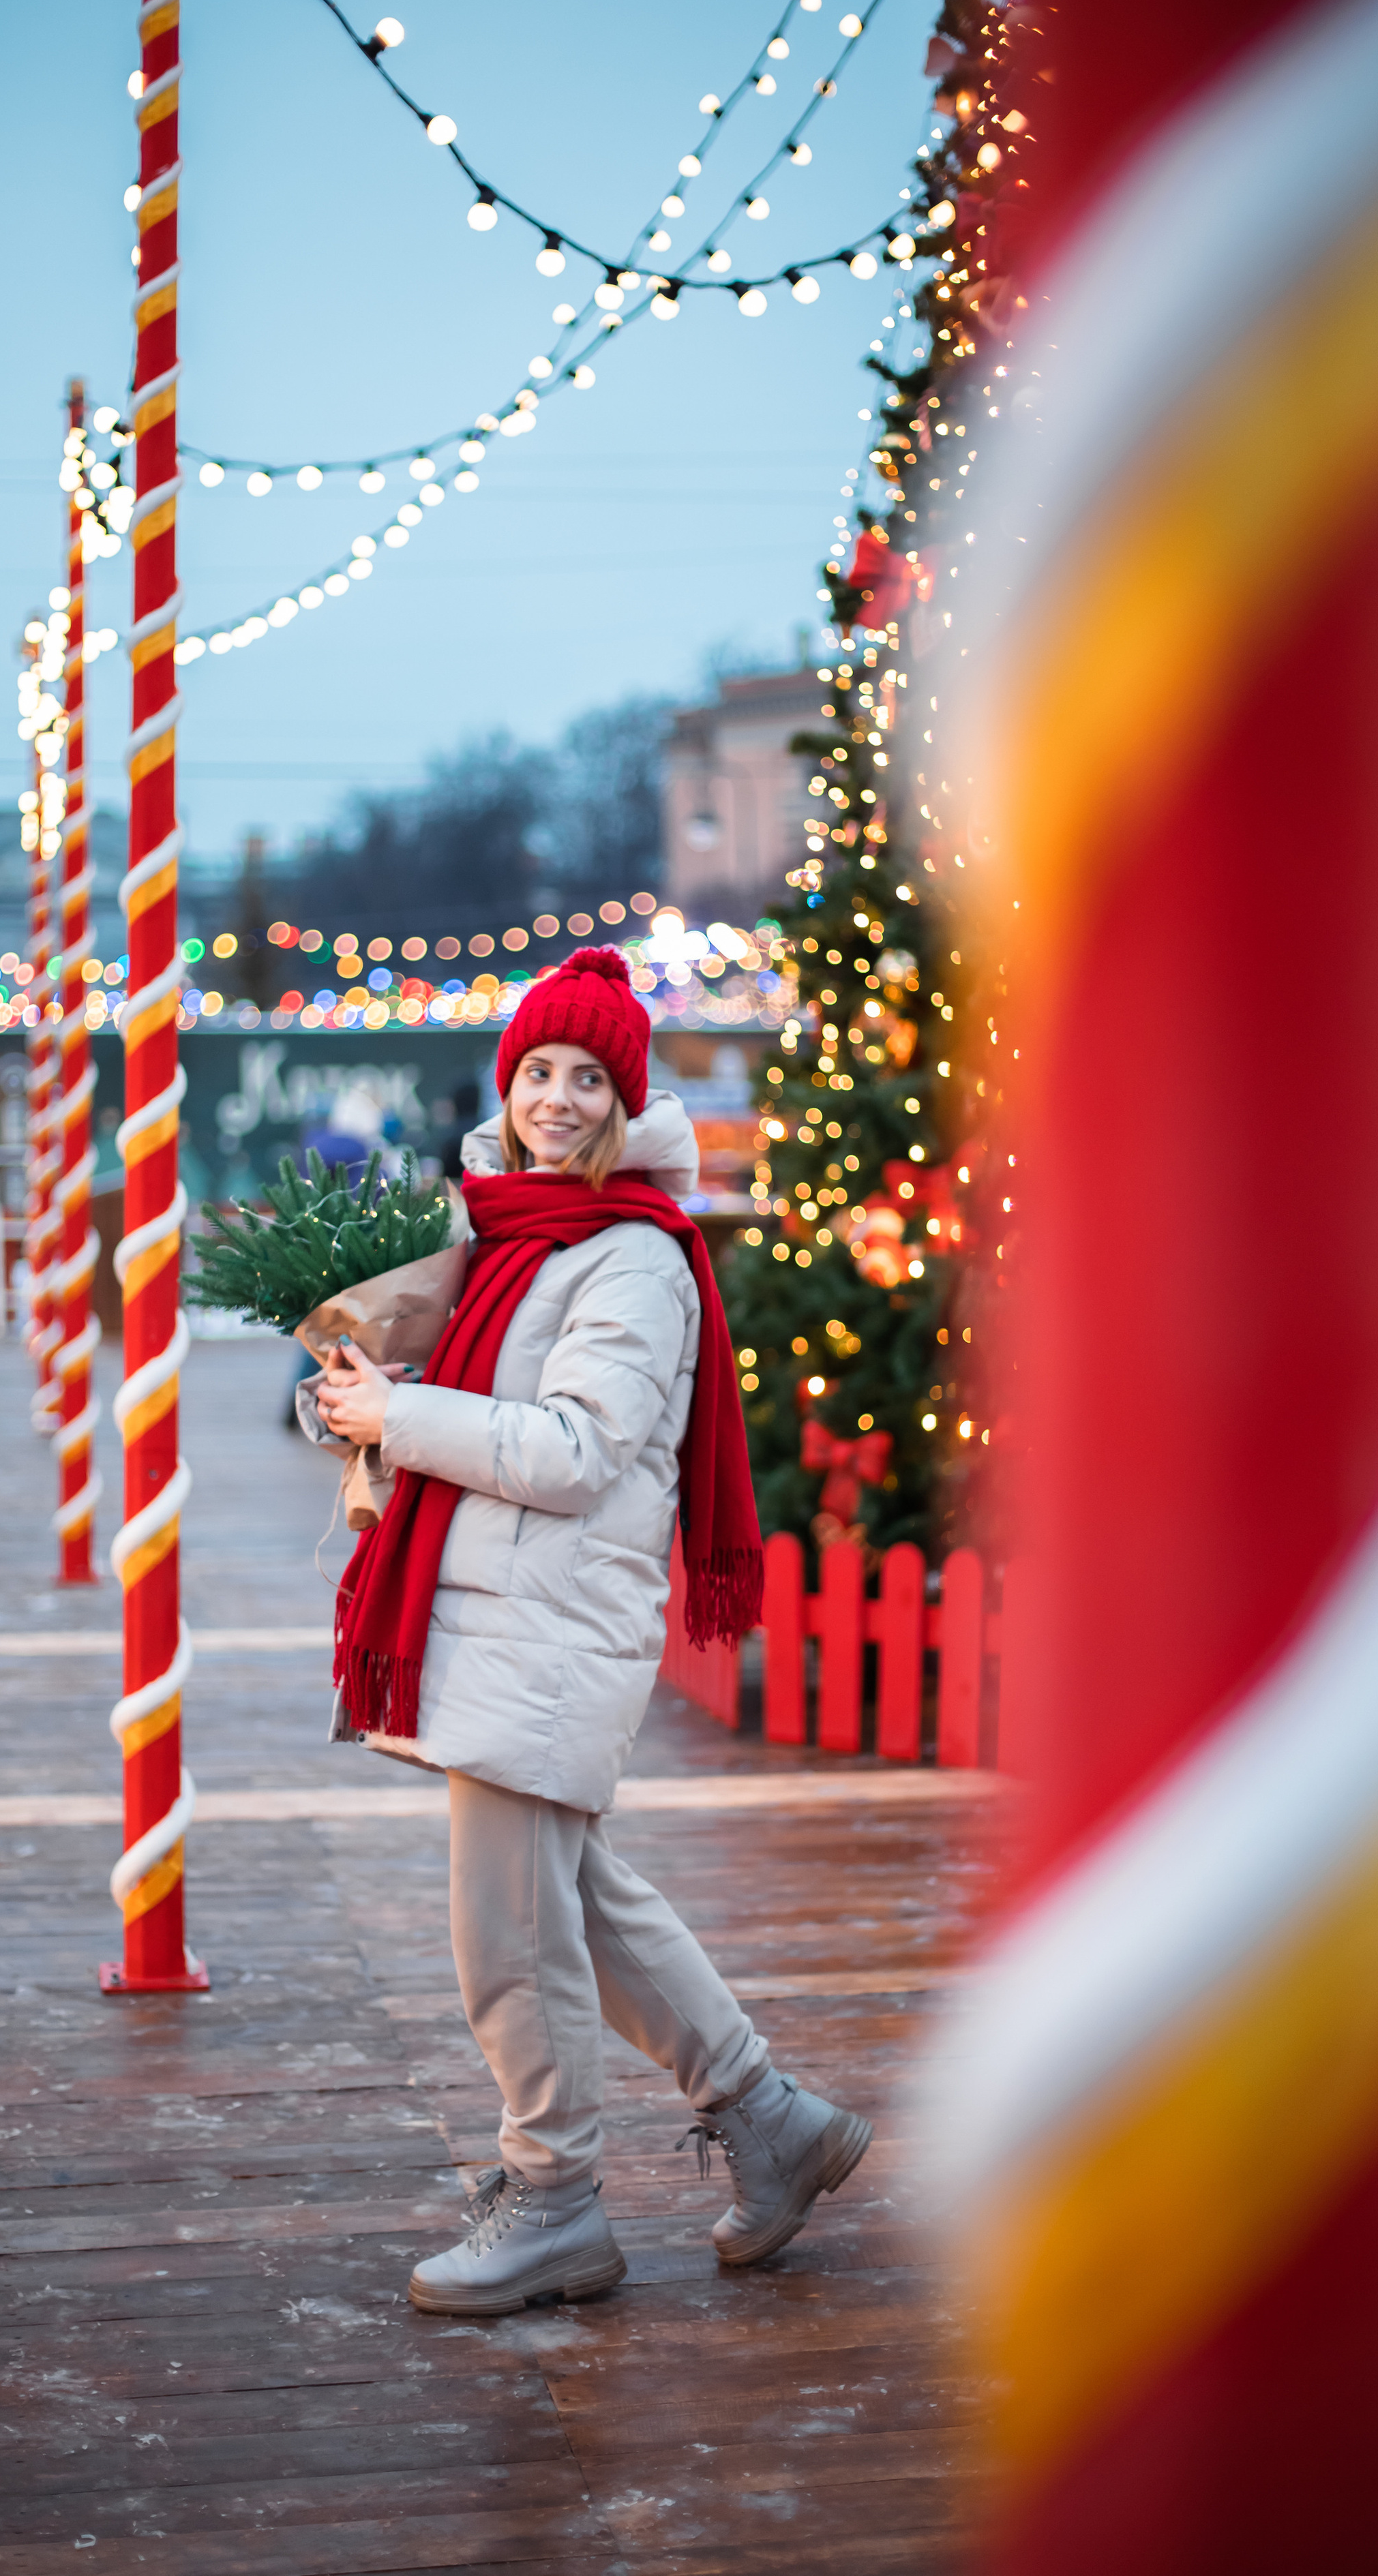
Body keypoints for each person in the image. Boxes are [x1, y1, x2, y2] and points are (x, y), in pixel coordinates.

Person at [314, 946, 872, 2317]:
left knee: (505, 1935)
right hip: (501, 1611)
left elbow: (572, 1451)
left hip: (552, 1620)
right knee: (580, 1907)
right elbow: (447, 1400)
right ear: (505, 1085)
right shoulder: (501, 1229)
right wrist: (352, 1397)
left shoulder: (630, 1254)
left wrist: (406, 1420)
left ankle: (553, 2197)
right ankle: (769, 2122)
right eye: (535, 1073)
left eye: (583, 1078)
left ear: (622, 1102)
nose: (554, 1100)